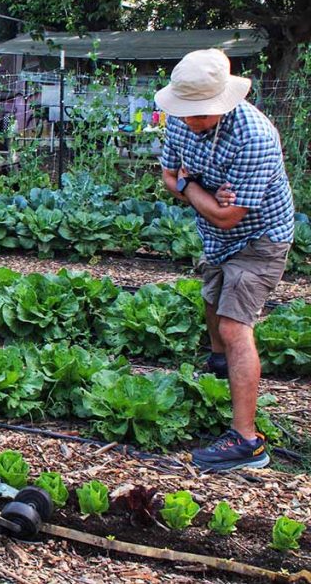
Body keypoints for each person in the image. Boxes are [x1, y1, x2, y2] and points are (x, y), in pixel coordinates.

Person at [157, 48, 294, 471]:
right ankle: (222, 372)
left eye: (199, 111)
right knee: (212, 302)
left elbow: (229, 215)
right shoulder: (181, 123)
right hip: (215, 240)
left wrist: (191, 185)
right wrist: (199, 189)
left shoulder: (255, 135)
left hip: (259, 239)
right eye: (186, 110)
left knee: (236, 327)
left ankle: (248, 442)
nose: (189, 118)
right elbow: (167, 176)